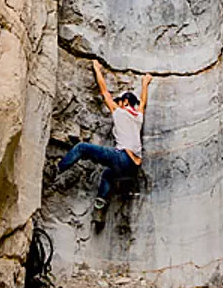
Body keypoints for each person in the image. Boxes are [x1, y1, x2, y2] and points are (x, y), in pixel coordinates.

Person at [55, 60, 151, 222]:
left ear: (125, 102)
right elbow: (143, 102)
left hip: (122, 157)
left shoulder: (119, 111)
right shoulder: (139, 116)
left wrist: (96, 69)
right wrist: (145, 82)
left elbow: (104, 91)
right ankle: (99, 207)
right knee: (107, 175)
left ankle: (56, 169)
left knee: (82, 148)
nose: (117, 102)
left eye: (120, 100)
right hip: (134, 166)